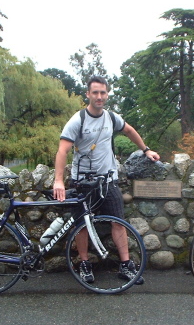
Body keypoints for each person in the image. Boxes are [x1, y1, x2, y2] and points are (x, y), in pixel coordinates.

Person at [53, 76, 160, 285]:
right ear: (88, 94)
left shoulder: (111, 117)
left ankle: (126, 266)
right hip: (82, 182)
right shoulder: (78, 120)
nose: (99, 96)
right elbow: (62, 150)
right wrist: (58, 180)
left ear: (107, 94)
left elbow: (128, 130)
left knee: (117, 221)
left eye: (103, 92)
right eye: (95, 92)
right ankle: (84, 264)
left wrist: (146, 150)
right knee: (81, 226)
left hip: (108, 180)